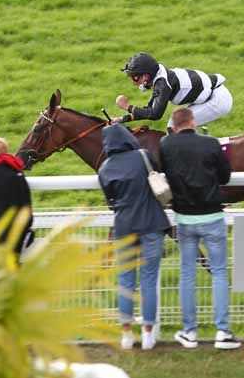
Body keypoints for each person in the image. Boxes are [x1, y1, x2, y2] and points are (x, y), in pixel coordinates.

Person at [159, 108, 240, 350]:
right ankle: (223, 332)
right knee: (219, 273)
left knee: (187, 275)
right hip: (212, 215)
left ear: (174, 125)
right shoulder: (211, 143)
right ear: (193, 122)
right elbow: (225, 177)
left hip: (184, 218)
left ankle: (189, 332)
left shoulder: (166, 144)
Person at [98, 124, 170, 350]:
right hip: (151, 224)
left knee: (126, 282)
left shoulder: (105, 168)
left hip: (124, 228)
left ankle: (126, 334)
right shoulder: (143, 156)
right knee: (149, 280)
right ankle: (148, 333)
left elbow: (111, 201)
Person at [112, 52, 233, 131]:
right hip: (211, 96)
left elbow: (155, 114)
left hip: (218, 100)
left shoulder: (163, 84)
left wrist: (127, 106)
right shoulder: (158, 76)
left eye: (135, 77)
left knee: (175, 126)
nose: (134, 82)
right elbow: (148, 110)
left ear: (146, 75)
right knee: (177, 125)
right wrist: (122, 119)